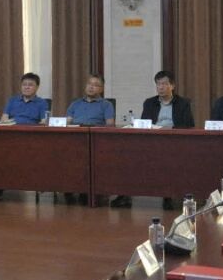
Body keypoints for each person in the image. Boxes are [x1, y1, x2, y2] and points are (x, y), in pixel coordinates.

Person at [121, 70, 194, 209]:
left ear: (172, 86)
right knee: (127, 154)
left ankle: (169, 195)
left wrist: (170, 129)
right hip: (152, 141)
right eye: (158, 84)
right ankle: (124, 194)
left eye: (164, 84)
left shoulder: (183, 103)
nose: (161, 87)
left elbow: (188, 125)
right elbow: (144, 124)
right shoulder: (149, 103)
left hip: (174, 141)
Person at [0, 73, 50, 200]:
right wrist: (10, 123)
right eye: (24, 84)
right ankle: (0, 183)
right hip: (11, 135)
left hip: (31, 136)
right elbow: (4, 119)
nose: (27, 87)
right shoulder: (13, 100)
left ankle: (34, 183)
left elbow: (44, 122)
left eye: (30, 85)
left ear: (37, 87)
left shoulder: (42, 103)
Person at [65, 74, 114, 204]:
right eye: (89, 84)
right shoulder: (75, 104)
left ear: (101, 89)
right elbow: (67, 122)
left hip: (96, 141)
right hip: (75, 139)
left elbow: (110, 125)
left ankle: (88, 190)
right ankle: (68, 187)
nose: (91, 87)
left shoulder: (106, 105)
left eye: (96, 85)